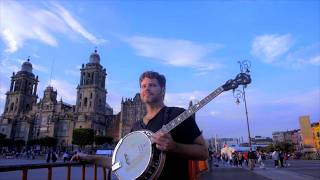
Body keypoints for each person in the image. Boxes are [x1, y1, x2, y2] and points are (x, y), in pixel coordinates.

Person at [72, 71, 209, 179]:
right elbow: (120, 163)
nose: (147, 89)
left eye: (152, 85)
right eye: (143, 86)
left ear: (163, 90)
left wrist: (175, 147)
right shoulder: (136, 127)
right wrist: (89, 158)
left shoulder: (177, 114)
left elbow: (203, 153)